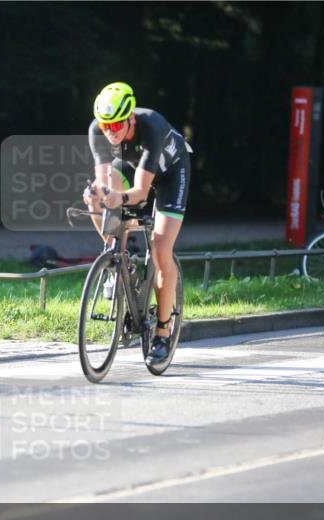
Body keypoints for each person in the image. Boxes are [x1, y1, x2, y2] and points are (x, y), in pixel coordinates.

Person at [83, 82, 192, 364]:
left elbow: (141, 193)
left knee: (160, 248)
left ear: (130, 118)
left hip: (170, 173)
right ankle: (115, 258)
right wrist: (100, 194)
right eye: (106, 125)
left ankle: (162, 332)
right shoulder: (98, 131)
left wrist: (117, 198)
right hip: (132, 165)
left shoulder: (151, 127)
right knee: (95, 197)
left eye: (117, 124)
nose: (110, 131)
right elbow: (106, 180)